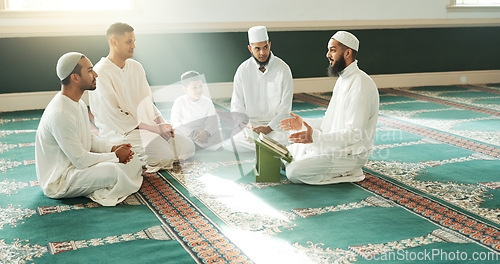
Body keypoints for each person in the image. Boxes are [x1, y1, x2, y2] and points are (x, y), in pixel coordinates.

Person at [35, 52, 143, 206]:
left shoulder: (77, 103)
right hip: (61, 180)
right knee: (112, 171)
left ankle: (107, 186)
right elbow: (80, 160)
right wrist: (115, 156)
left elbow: (90, 139)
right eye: (90, 70)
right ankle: (104, 189)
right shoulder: (60, 113)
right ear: (75, 77)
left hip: (79, 168)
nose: (96, 74)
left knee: (134, 160)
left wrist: (113, 148)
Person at [89, 22, 195, 173]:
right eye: (129, 41)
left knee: (187, 146)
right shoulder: (101, 72)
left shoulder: (136, 67)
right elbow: (115, 117)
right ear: (113, 42)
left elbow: (147, 103)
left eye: (134, 41)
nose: (133, 46)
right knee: (163, 156)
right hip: (121, 132)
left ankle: (159, 145)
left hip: (148, 127)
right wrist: (155, 129)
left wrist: (162, 125)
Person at [280, 31, 379, 185]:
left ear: (347, 53)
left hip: (350, 154)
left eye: (333, 50)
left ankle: (350, 172)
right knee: (284, 153)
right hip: (333, 146)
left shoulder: (361, 84)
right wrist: (304, 125)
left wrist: (316, 138)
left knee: (294, 171)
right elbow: (329, 121)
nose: (328, 54)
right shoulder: (343, 80)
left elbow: (354, 134)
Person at [230, 25, 293, 151]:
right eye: (257, 49)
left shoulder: (283, 69)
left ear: (269, 45)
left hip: (276, 126)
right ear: (250, 48)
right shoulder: (243, 70)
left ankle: (264, 146)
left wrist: (268, 128)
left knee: (288, 137)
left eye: (265, 47)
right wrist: (248, 128)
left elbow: (285, 109)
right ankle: (271, 148)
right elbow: (237, 106)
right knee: (235, 141)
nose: (262, 53)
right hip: (251, 126)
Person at [170, 71, 222, 151]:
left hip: (205, 134)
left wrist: (206, 132)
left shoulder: (207, 101)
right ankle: (194, 145)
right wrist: (193, 134)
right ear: (185, 89)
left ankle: (198, 145)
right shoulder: (179, 101)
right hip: (188, 134)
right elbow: (175, 122)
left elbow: (213, 120)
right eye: (194, 87)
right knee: (175, 133)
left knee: (217, 132)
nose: (199, 90)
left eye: (200, 86)